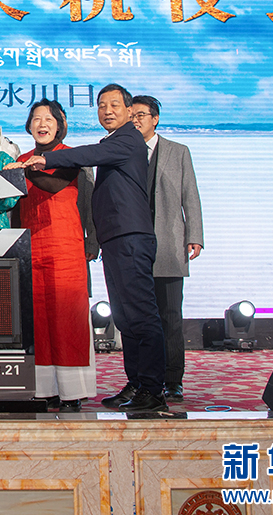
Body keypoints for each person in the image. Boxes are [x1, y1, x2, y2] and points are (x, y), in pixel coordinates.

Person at [16, 84, 166, 411]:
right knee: (126, 317)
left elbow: (87, 156)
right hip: (115, 239)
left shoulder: (128, 139)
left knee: (142, 315)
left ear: (130, 111)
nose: (107, 111)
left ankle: (154, 390)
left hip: (130, 236)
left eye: (114, 105)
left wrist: (44, 159)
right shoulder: (112, 141)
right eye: (101, 105)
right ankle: (137, 384)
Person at [7, 100, 95, 412]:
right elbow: (15, 208)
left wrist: (26, 170)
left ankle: (72, 391)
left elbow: (54, 184)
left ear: (60, 124)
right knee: (37, 318)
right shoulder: (21, 159)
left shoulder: (71, 155)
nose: (42, 124)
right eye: (36, 119)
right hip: (31, 246)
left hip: (64, 245)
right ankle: (44, 390)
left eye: (49, 119)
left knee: (66, 316)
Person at [131, 95, 204, 403]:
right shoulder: (124, 150)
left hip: (169, 245)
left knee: (171, 316)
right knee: (137, 318)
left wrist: (194, 235)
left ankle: (173, 380)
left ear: (155, 118)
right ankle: (140, 381)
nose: (135, 120)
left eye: (141, 115)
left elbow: (191, 195)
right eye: (132, 116)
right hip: (133, 247)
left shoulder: (178, 151)